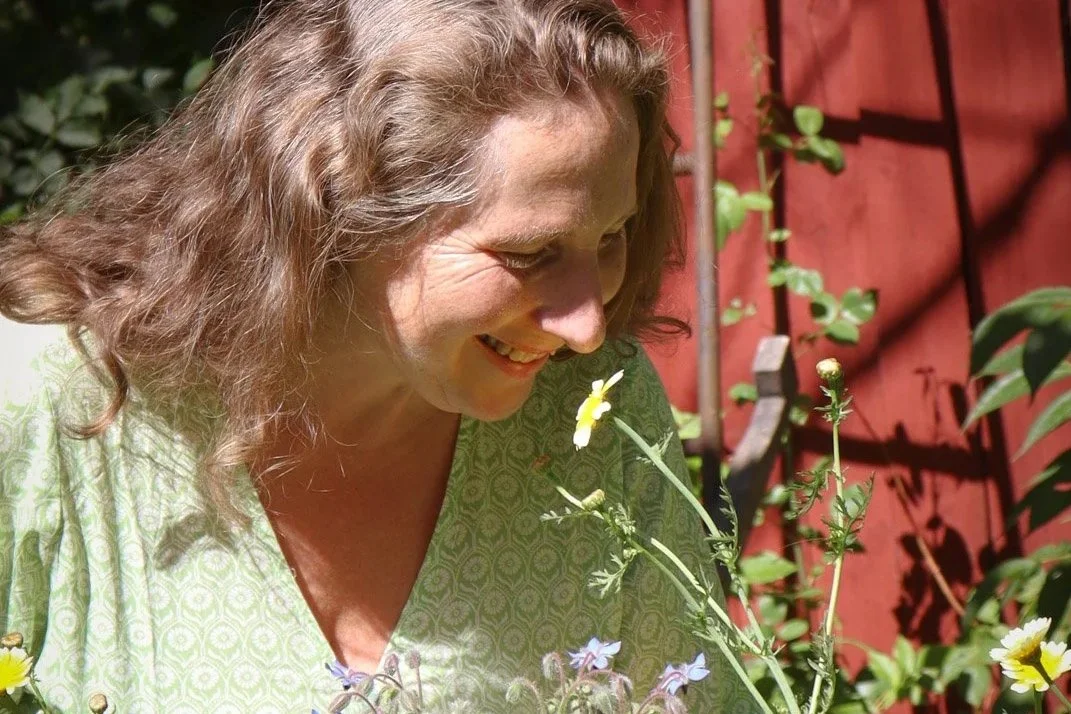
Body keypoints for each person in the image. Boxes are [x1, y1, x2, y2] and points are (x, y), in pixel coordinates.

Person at [0, 0, 756, 711]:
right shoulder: (46, 410)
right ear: (333, 202)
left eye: (610, 237)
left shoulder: (598, 414)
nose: (587, 326)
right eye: (530, 253)